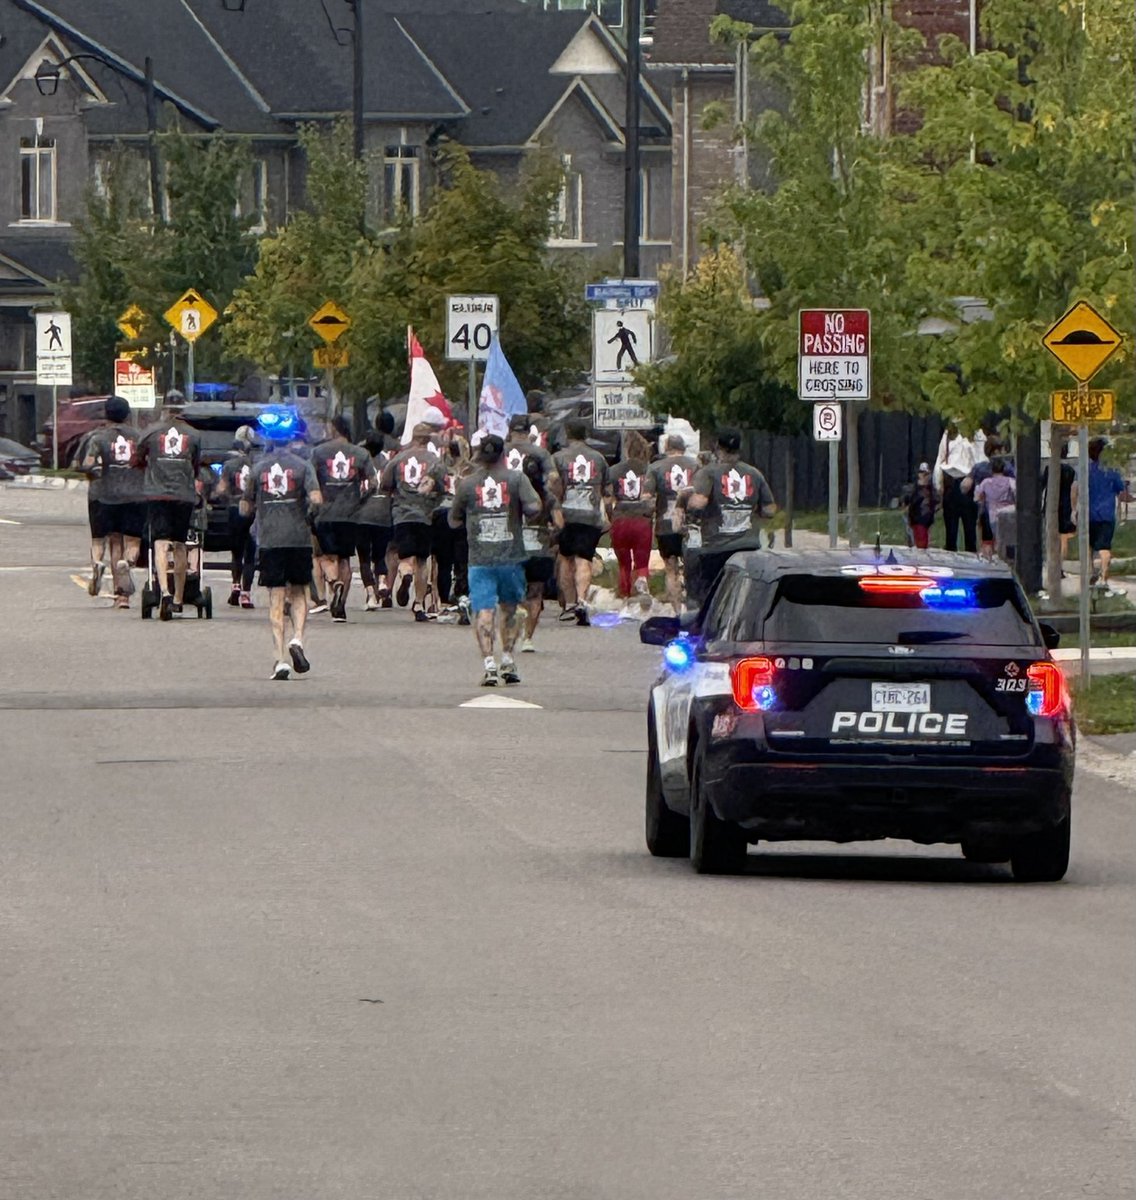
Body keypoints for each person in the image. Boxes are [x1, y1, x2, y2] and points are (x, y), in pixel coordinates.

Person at [449, 433, 541, 686]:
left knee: (484, 609)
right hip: (510, 557)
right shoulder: (517, 479)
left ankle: (489, 664)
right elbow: (534, 507)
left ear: (480, 455)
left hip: (480, 558)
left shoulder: (467, 484)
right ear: (503, 455)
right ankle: (508, 659)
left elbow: (454, 519)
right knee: (510, 608)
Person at [242, 434, 323, 680]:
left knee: (276, 597)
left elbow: (245, 508)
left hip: (270, 539)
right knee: (299, 591)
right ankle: (297, 638)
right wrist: (308, 516)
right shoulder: (303, 466)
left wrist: (258, 510)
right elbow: (316, 499)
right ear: (290, 442)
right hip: (298, 538)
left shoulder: (258, 468)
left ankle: (280, 660)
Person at [675, 428, 776, 605]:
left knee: (712, 598)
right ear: (739, 448)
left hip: (716, 548)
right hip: (748, 546)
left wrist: (684, 498)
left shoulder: (708, 473)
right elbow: (770, 510)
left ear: (717, 447)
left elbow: (700, 502)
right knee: (743, 597)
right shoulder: (754, 473)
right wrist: (752, 510)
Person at [136, 390, 202, 620]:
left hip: (157, 494)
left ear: (164, 408)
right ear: (183, 408)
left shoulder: (151, 432)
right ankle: (178, 598)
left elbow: (137, 458)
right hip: (183, 495)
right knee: (180, 545)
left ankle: (164, 590)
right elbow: (195, 465)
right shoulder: (194, 435)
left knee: (161, 543)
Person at [82, 396, 146, 609]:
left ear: (106, 414)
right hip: (135, 495)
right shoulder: (139, 437)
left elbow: (88, 464)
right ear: (127, 415)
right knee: (133, 542)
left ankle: (97, 563)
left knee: (108, 541)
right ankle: (124, 584)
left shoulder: (98, 438)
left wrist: (94, 475)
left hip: (105, 495)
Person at [506, 413, 562, 652]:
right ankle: (528, 638)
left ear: (510, 431)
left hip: (511, 547)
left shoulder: (508, 493)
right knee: (536, 592)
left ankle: (514, 624)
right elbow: (559, 523)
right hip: (539, 548)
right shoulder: (546, 493)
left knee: (513, 591)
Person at [311, 414, 375, 622]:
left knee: (327, 557)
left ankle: (333, 582)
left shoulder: (318, 453)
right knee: (345, 559)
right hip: (350, 513)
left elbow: (310, 482)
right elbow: (373, 482)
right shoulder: (361, 454)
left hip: (325, 512)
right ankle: (340, 607)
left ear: (334, 429)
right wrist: (361, 499)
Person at [381, 422, 446, 621]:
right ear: (428, 439)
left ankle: (405, 574)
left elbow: (385, 484)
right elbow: (442, 487)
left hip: (402, 513)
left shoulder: (398, 458)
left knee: (404, 556)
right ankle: (418, 604)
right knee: (422, 561)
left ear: (413, 437)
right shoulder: (435, 461)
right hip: (425, 515)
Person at [552, 419, 609, 625]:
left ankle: (569, 604)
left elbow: (553, 488)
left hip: (566, 515)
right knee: (584, 559)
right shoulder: (599, 458)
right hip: (590, 515)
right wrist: (606, 514)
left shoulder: (558, 458)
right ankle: (582, 601)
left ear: (567, 434)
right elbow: (606, 491)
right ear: (586, 435)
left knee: (566, 558)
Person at [644, 434, 700, 614]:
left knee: (671, 569)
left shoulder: (655, 467)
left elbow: (647, 497)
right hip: (691, 525)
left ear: (666, 448)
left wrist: (650, 512)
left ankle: (677, 611)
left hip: (665, 525)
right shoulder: (695, 466)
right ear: (683, 448)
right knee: (693, 567)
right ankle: (693, 608)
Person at [1073, 437, 1132, 595]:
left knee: (1089, 546)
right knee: (1104, 548)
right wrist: (1132, 498)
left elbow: (1075, 489)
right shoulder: (1111, 471)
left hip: (1088, 514)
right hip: (1106, 515)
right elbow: (1122, 494)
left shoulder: (1085, 470)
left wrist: (1074, 509)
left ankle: (1090, 573)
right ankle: (1103, 578)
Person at [606, 430, 655, 606]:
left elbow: (608, 499)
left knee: (623, 564)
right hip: (642, 520)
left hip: (621, 519)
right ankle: (641, 589)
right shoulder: (649, 470)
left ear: (627, 449)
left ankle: (624, 596)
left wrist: (610, 518)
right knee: (642, 561)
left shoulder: (614, 470)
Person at [215, 425, 258, 608]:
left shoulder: (229, 465)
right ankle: (246, 594)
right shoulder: (256, 466)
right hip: (253, 511)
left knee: (236, 552)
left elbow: (221, 489)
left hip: (234, 509)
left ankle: (235, 587)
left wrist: (224, 497)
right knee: (250, 554)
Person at [432, 432, 472, 618]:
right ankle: (462, 594)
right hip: (463, 516)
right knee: (462, 559)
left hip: (442, 513)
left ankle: (443, 598)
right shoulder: (472, 470)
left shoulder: (439, 468)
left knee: (443, 561)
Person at [357, 434, 395, 610]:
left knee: (364, 558)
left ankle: (371, 595)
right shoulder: (388, 464)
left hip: (362, 515)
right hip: (383, 513)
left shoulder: (360, 463)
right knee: (380, 555)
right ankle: (382, 581)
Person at [73, 421, 108, 597]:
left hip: (97, 492)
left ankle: (97, 563)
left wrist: (92, 471)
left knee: (98, 539)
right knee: (119, 541)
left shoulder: (92, 437)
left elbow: (78, 464)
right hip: (125, 493)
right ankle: (121, 589)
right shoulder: (132, 435)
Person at [932, 420, 978, 552]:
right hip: (951, 481)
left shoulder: (974, 433)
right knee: (951, 528)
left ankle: (970, 555)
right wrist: (938, 482)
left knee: (969, 526)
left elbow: (979, 459)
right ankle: (951, 555)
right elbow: (941, 457)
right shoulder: (948, 434)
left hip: (967, 481)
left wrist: (972, 476)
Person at [974, 456, 1016, 561]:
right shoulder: (1010, 481)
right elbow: (1016, 493)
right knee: (1007, 539)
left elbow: (977, 497)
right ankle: (1006, 559)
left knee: (996, 537)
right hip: (1008, 513)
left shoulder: (986, 482)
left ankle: (996, 557)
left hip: (992, 513)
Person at [1041, 443, 1076, 567]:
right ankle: (1061, 564)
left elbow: (1042, 486)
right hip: (1066, 505)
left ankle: (1052, 562)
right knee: (1064, 538)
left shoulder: (1049, 468)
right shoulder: (1070, 470)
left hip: (1051, 504)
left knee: (1051, 535)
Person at [905, 461, 937, 550]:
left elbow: (935, 502)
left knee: (925, 543)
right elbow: (910, 504)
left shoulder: (931, 489)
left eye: (927, 474)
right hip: (918, 520)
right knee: (920, 545)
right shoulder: (914, 489)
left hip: (928, 521)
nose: (925, 476)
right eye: (923, 474)